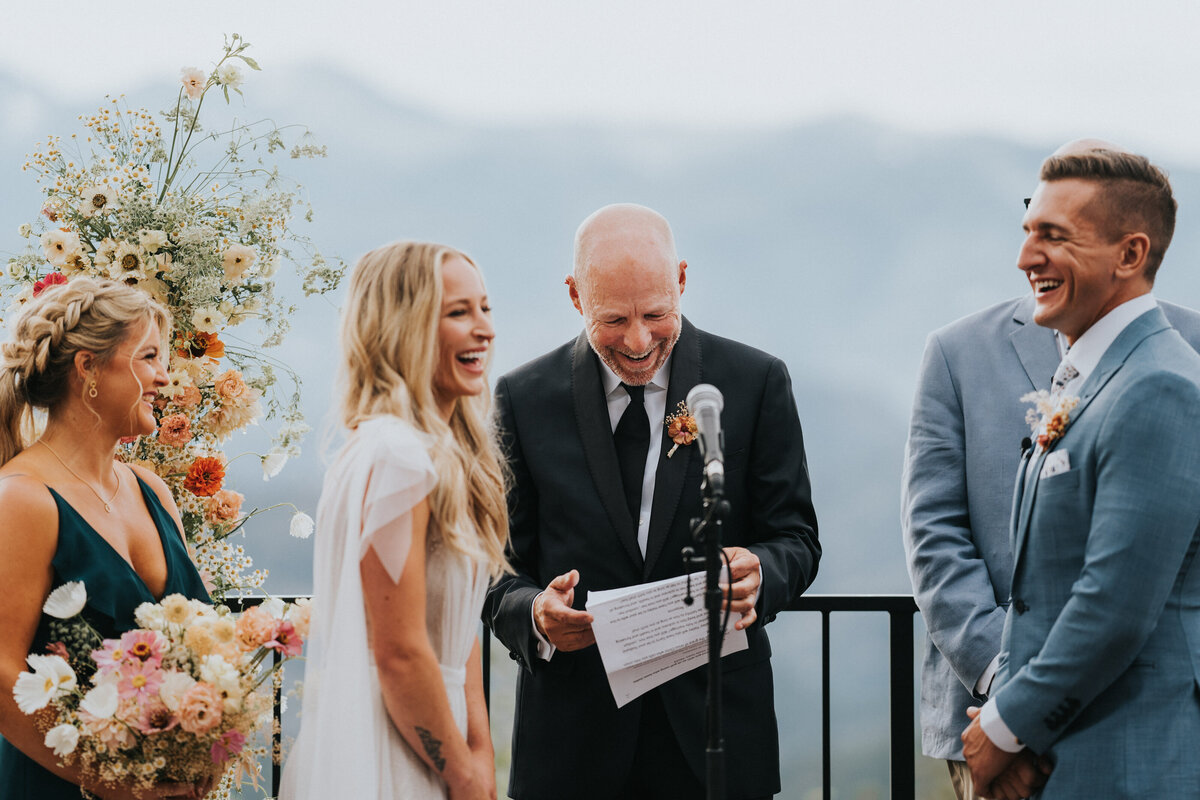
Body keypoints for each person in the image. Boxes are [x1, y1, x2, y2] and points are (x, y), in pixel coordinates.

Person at [482, 203, 820, 800]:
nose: (638, 342)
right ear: (574, 296)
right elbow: (493, 567)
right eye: (613, 319)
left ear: (682, 280)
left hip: (715, 734)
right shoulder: (522, 398)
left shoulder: (755, 381)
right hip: (573, 745)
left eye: (656, 314)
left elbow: (796, 537)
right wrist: (535, 613)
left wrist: (759, 573)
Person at [901, 140, 1200, 800]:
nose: (1025, 256)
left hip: (1125, 739)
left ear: (1130, 253)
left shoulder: (1167, 376)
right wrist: (1004, 705)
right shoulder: (964, 352)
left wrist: (1010, 723)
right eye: (1028, 230)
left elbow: (1117, 598)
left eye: (1054, 236)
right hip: (1010, 722)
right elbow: (935, 538)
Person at [280, 242, 506, 800]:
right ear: (406, 328)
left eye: (484, 308)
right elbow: (400, 652)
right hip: (395, 754)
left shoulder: (419, 451)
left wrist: (482, 754)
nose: (484, 330)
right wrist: (462, 772)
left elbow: (454, 633)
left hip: (444, 735)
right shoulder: (397, 457)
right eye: (458, 312)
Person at [0, 277, 213, 799]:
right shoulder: (21, 500)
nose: (166, 379)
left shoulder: (152, 490)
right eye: (149, 358)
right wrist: (114, 785)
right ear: (88, 369)